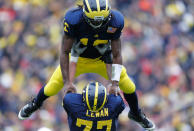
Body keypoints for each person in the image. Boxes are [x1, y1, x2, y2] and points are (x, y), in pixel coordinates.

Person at [18, 0, 155, 130]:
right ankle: (35, 104)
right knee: (53, 85)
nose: (99, 24)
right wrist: (67, 82)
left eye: (102, 20)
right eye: (95, 20)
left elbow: (117, 54)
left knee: (128, 85)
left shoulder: (116, 20)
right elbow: (65, 51)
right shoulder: (74, 19)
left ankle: (135, 113)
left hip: (103, 59)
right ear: (85, 15)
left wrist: (114, 83)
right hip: (79, 59)